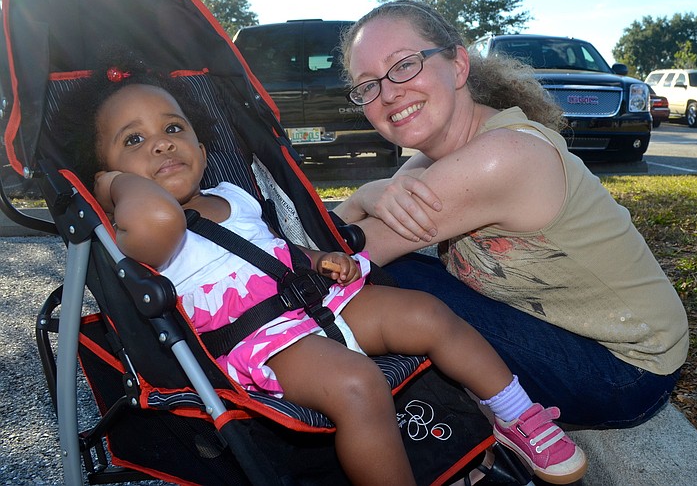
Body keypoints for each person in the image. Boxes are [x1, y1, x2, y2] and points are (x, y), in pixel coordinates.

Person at [57, 50, 587, 486]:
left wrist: (319, 260)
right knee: (359, 385)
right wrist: (109, 187)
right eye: (133, 141)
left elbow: (272, 250)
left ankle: (517, 414)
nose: (160, 143)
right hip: (260, 343)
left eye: (173, 128)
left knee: (427, 312)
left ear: (200, 145)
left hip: (314, 302)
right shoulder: (139, 229)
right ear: (107, 174)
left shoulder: (232, 194)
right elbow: (155, 216)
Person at [333, 0, 690, 429]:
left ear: (458, 65)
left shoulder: (501, 157)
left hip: (625, 372)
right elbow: (338, 237)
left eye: (404, 65)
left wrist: (363, 198)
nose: (388, 92)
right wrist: (365, 197)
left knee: (384, 281)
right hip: (571, 339)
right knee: (391, 282)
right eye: (367, 85)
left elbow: (337, 257)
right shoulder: (434, 161)